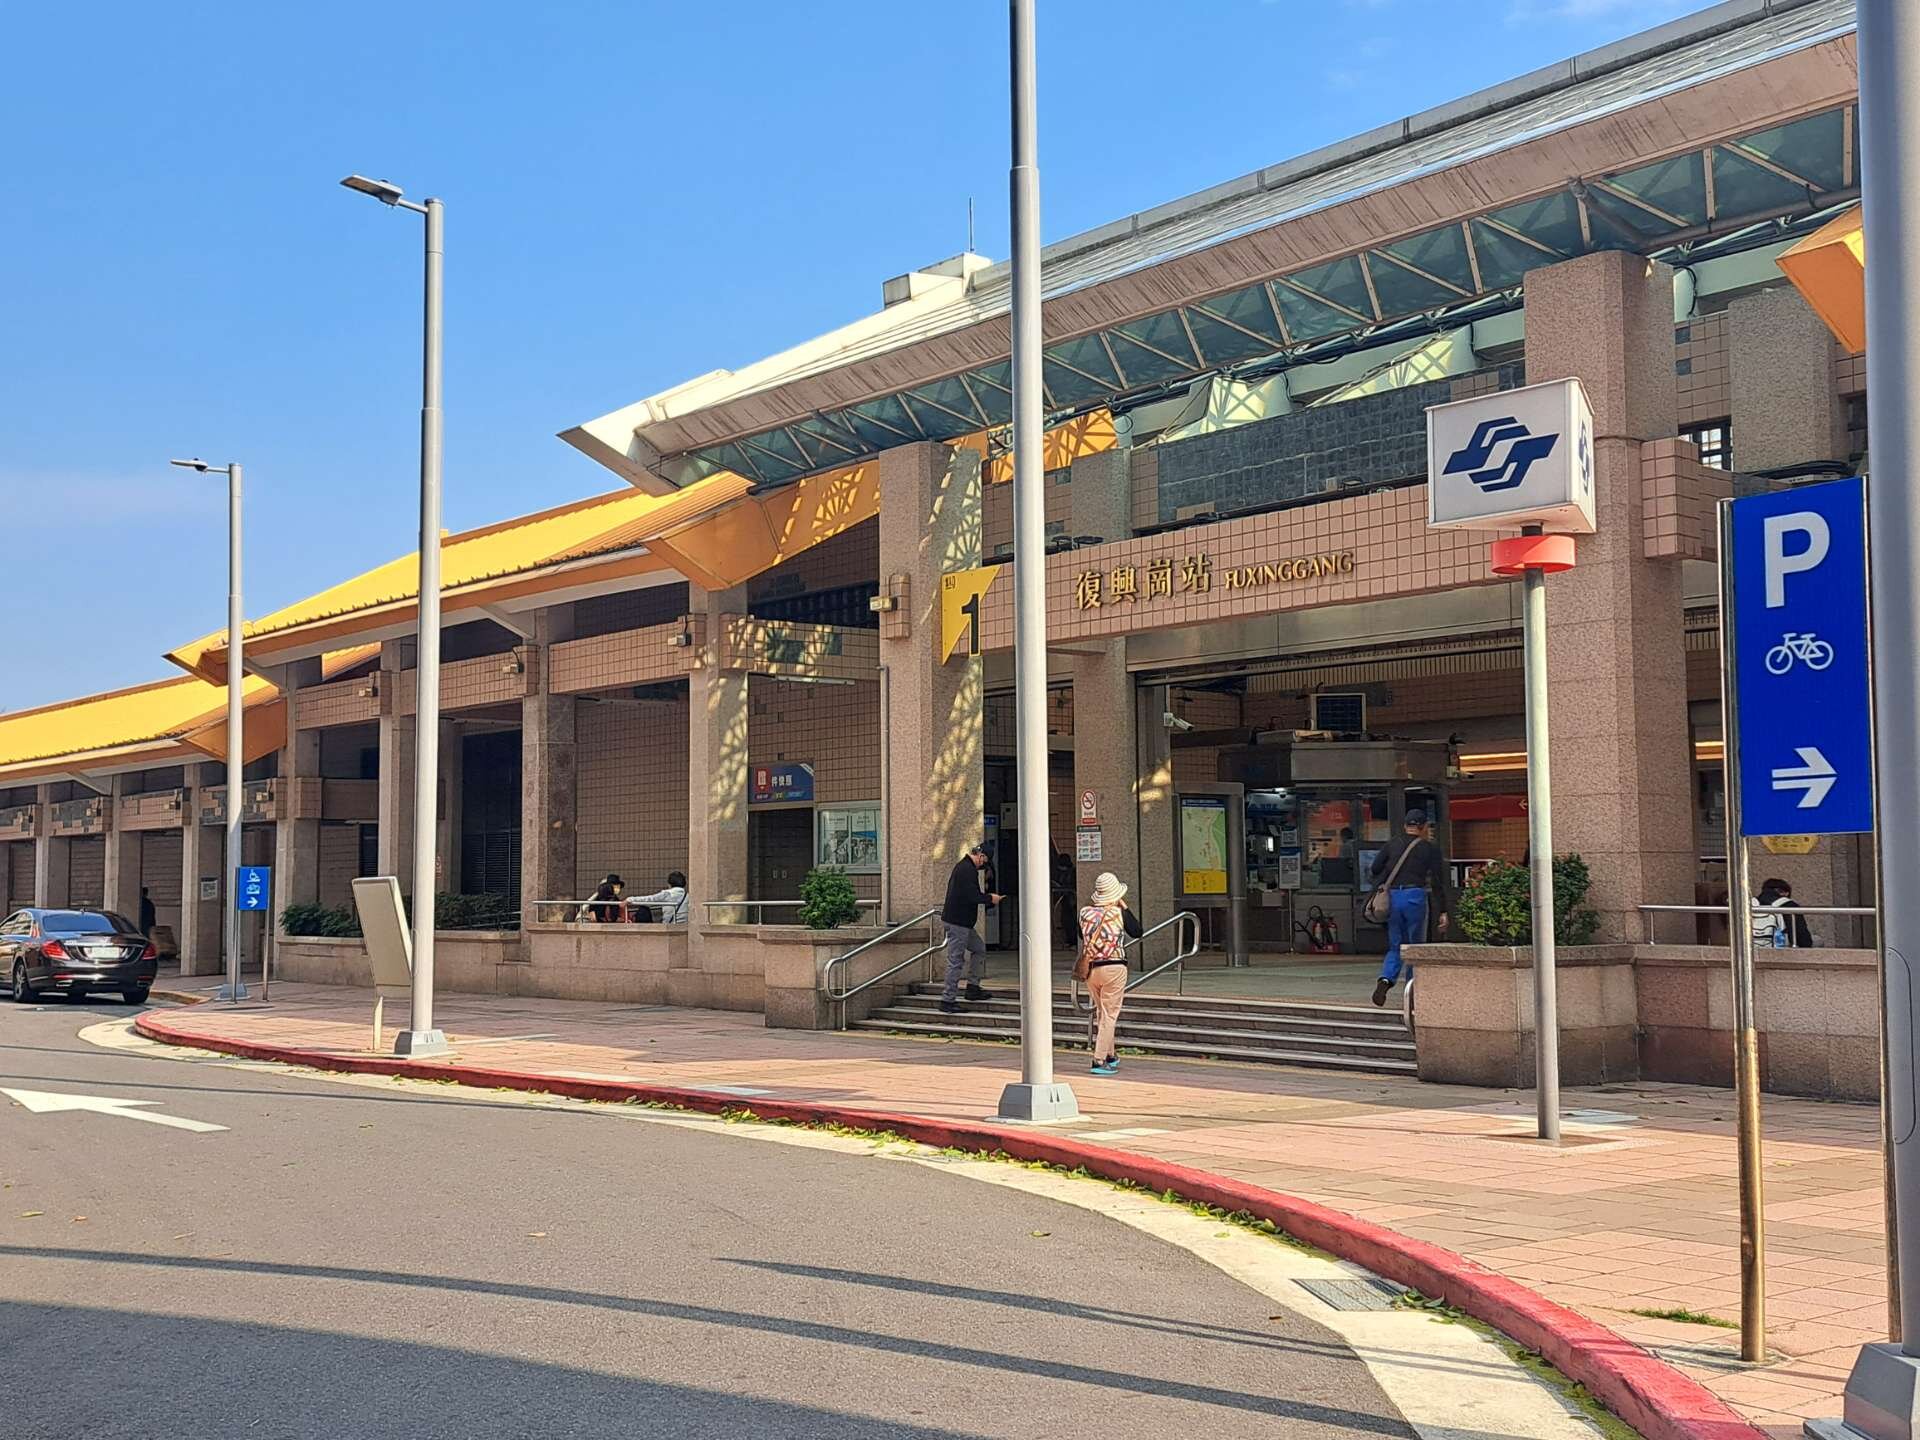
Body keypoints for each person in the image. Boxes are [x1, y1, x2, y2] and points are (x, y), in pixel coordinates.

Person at [1369, 808, 1453, 1007]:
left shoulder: (1392, 844)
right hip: (1415, 896)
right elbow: (1438, 881)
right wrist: (1443, 910)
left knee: (1396, 944)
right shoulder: (1429, 848)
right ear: (1423, 827)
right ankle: (1411, 991)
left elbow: (1375, 868)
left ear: (1405, 825)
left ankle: (1385, 979)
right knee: (1415, 946)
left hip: (1392, 897)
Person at [1077, 872, 1141, 1076]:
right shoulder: (1119, 913)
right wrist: (1124, 906)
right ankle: (1099, 1059)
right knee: (1110, 1014)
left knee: (1102, 1013)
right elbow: (1137, 931)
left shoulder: (1084, 913)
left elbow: (1081, 935)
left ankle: (1111, 1054)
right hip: (1114, 967)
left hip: (1091, 969)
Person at [939, 843, 1002, 1013]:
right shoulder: (966, 870)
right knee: (956, 960)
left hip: (963, 923)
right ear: (981, 856)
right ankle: (947, 1000)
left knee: (979, 949)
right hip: (958, 922)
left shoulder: (965, 868)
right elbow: (972, 896)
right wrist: (990, 898)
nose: (984, 865)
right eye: (985, 861)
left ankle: (973, 987)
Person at [1755, 877, 1814, 949]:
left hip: (1751, 949)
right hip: (1780, 951)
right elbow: (1804, 940)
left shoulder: (1750, 905)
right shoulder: (1789, 905)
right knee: (1818, 940)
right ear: (1785, 893)